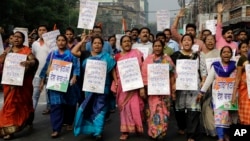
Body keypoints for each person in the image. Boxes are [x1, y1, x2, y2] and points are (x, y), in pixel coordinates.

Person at [73, 37, 116, 141]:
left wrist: (116, 81)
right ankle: (92, 129)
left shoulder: (107, 57)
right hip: (89, 87)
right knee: (90, 107)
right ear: (91, 45)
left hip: (103, 87)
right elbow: (73, 51)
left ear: (102, 45)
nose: (97, 45)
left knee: (101, 109)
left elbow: (112, 71)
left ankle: (98, 132)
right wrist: (82, 42)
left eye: (99, 43)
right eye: (95, 43)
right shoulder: (86, 55)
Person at [39, 34, 80, 138]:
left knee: (70, 104)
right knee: (56, 105)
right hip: (55, 84)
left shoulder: (71, 55)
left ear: (66, 42)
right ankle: (56, 128)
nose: (61, 42)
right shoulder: (52, 54)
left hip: (69, 85)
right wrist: (42, 80)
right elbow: (45, 67)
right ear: (56, 42)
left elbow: (76, 67)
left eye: (63, 40)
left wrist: (75, 76)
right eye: (59, 40)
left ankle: (68, 122)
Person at [0, 31, 39, 139]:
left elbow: (34, 61)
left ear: (23, 40)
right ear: (11, 39)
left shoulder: (27, 50)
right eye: (14, 37)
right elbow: (2, 62)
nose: (16, 39)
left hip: (22, 84)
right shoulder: (8, 50)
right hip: (9, 82)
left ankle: (24, 121)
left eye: (19, 37)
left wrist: (29, 63)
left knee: (22, 104)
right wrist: (2, 58)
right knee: (9, 105)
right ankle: (8, 129)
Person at [170, 34, 207, 141]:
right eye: (184, 40)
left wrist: (203, 80)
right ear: (181, 43)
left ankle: (191, 135)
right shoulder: (175, 55)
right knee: (179, 110)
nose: (186, 42)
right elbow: (171, 71)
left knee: (193, 111)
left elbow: (203, 70)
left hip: (194, 86)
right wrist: (173, 84)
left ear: (192, 42)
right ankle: (182, 126)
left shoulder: (199, 55)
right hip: (179, 87)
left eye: (189, 40)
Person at [198, 46, 237, 141]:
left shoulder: (235, 66)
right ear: (221, 55)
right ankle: (220, 136)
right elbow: (208, 80)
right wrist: (201, 92)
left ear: (231, 55)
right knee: (219, 116)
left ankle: (227, 135)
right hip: (218, 97)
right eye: (224, 52)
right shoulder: (216, 66)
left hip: (231, 97)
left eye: (228, 52)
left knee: (229, 117)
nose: (226, 54)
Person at [141, 39, 176, 139]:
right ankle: (153, 132)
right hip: (152, 91)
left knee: (164, 112)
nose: (157, 48)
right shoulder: (148, 59)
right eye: (155, 46)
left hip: (165, 91)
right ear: (153, 47)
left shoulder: (167, 59)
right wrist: (143, 88)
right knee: (153, 111)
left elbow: (173, 74)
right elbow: (144, 75)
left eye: (159, 46)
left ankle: (162, 132)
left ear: (163, 47)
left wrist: (173, 87)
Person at [112, 35, 145, 140]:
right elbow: (113, 70)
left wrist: (142, 86)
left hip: (136, 84)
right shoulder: (117, 56)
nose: (127, 43)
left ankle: (137, 127)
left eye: (128, 41)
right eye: (124, 41)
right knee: (124, 108)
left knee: (137, 107)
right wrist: (116, 81)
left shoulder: (137, 53)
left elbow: (142, 69)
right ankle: (125, 131)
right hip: (123, 86)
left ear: (131, 43)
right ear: (121, 44)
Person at [200, 35, 220, 137]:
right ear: (205, 42)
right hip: (207, 84)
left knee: (218, 107)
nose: (210, 42)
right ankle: (211, 130)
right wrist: (203, 80)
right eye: (208, 40)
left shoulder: (220, 53)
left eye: (212, 40)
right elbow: (202, 69)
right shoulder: (202, 54)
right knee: (207, 107)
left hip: (220, 83)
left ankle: (220, 128)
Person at [32, 25, 51, 113]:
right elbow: (33, 57)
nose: (42, 32)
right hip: (37, 73)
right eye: (40, 30)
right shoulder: (34, 44)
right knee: (35, 95)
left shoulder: (51, 43)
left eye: (44, 30)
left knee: (49, 94)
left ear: (47, 31)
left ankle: (48, 108)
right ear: (37, 32)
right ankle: (30, 117)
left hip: (50, 74)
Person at [232, 42, 250, 130]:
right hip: (244, 89)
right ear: (239, 50)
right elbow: (238, 77)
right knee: (245, 115)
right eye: (243, 47)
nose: (245, 49)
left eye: (247, 47)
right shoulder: (241, 59)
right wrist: (234, 94)